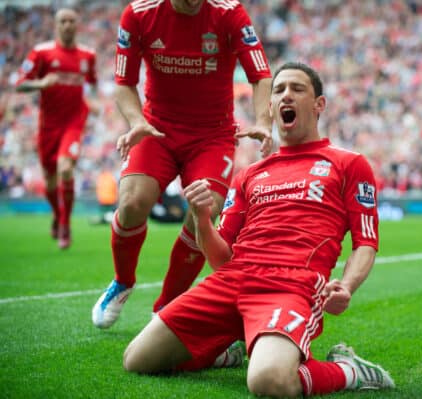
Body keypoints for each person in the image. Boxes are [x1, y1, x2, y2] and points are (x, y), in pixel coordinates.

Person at [121, 62, 395, 397]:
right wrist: (202, 219)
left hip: (291, 286)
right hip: (232, 280)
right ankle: (227, 351)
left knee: (268, 382)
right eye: (278, 90)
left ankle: (348, 370)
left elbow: (366, 242)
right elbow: (222, 262)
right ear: (271, 106)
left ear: (318, 105)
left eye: (297, 89)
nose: (285, 96)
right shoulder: (249, 174)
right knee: (137, 359)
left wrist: (347, 287)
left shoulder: (349, 164)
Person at [92, 0, 273, 329]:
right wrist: (135, 121)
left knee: (204, 211)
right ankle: (122, 281)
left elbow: (261, 75)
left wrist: (263, 120)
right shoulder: (139, 13)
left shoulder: (229, 12)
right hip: (156, 128)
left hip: (212, 135)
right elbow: (123, 83)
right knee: (132, 201)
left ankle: (165, 308)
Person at [15, 8, 97, 249]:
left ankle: (65, 225)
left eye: (72, 21)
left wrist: (92, 102)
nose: (68, 25)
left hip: (74, 122)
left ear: (77, 25)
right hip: (48, 125)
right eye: (63, 21)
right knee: (50, 183)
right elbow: (19, 85)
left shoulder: (88, 55)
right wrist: (41, 83)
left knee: (65, 169)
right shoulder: (42, 52)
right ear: (56, 25)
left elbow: (91, 84)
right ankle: (57, 214)